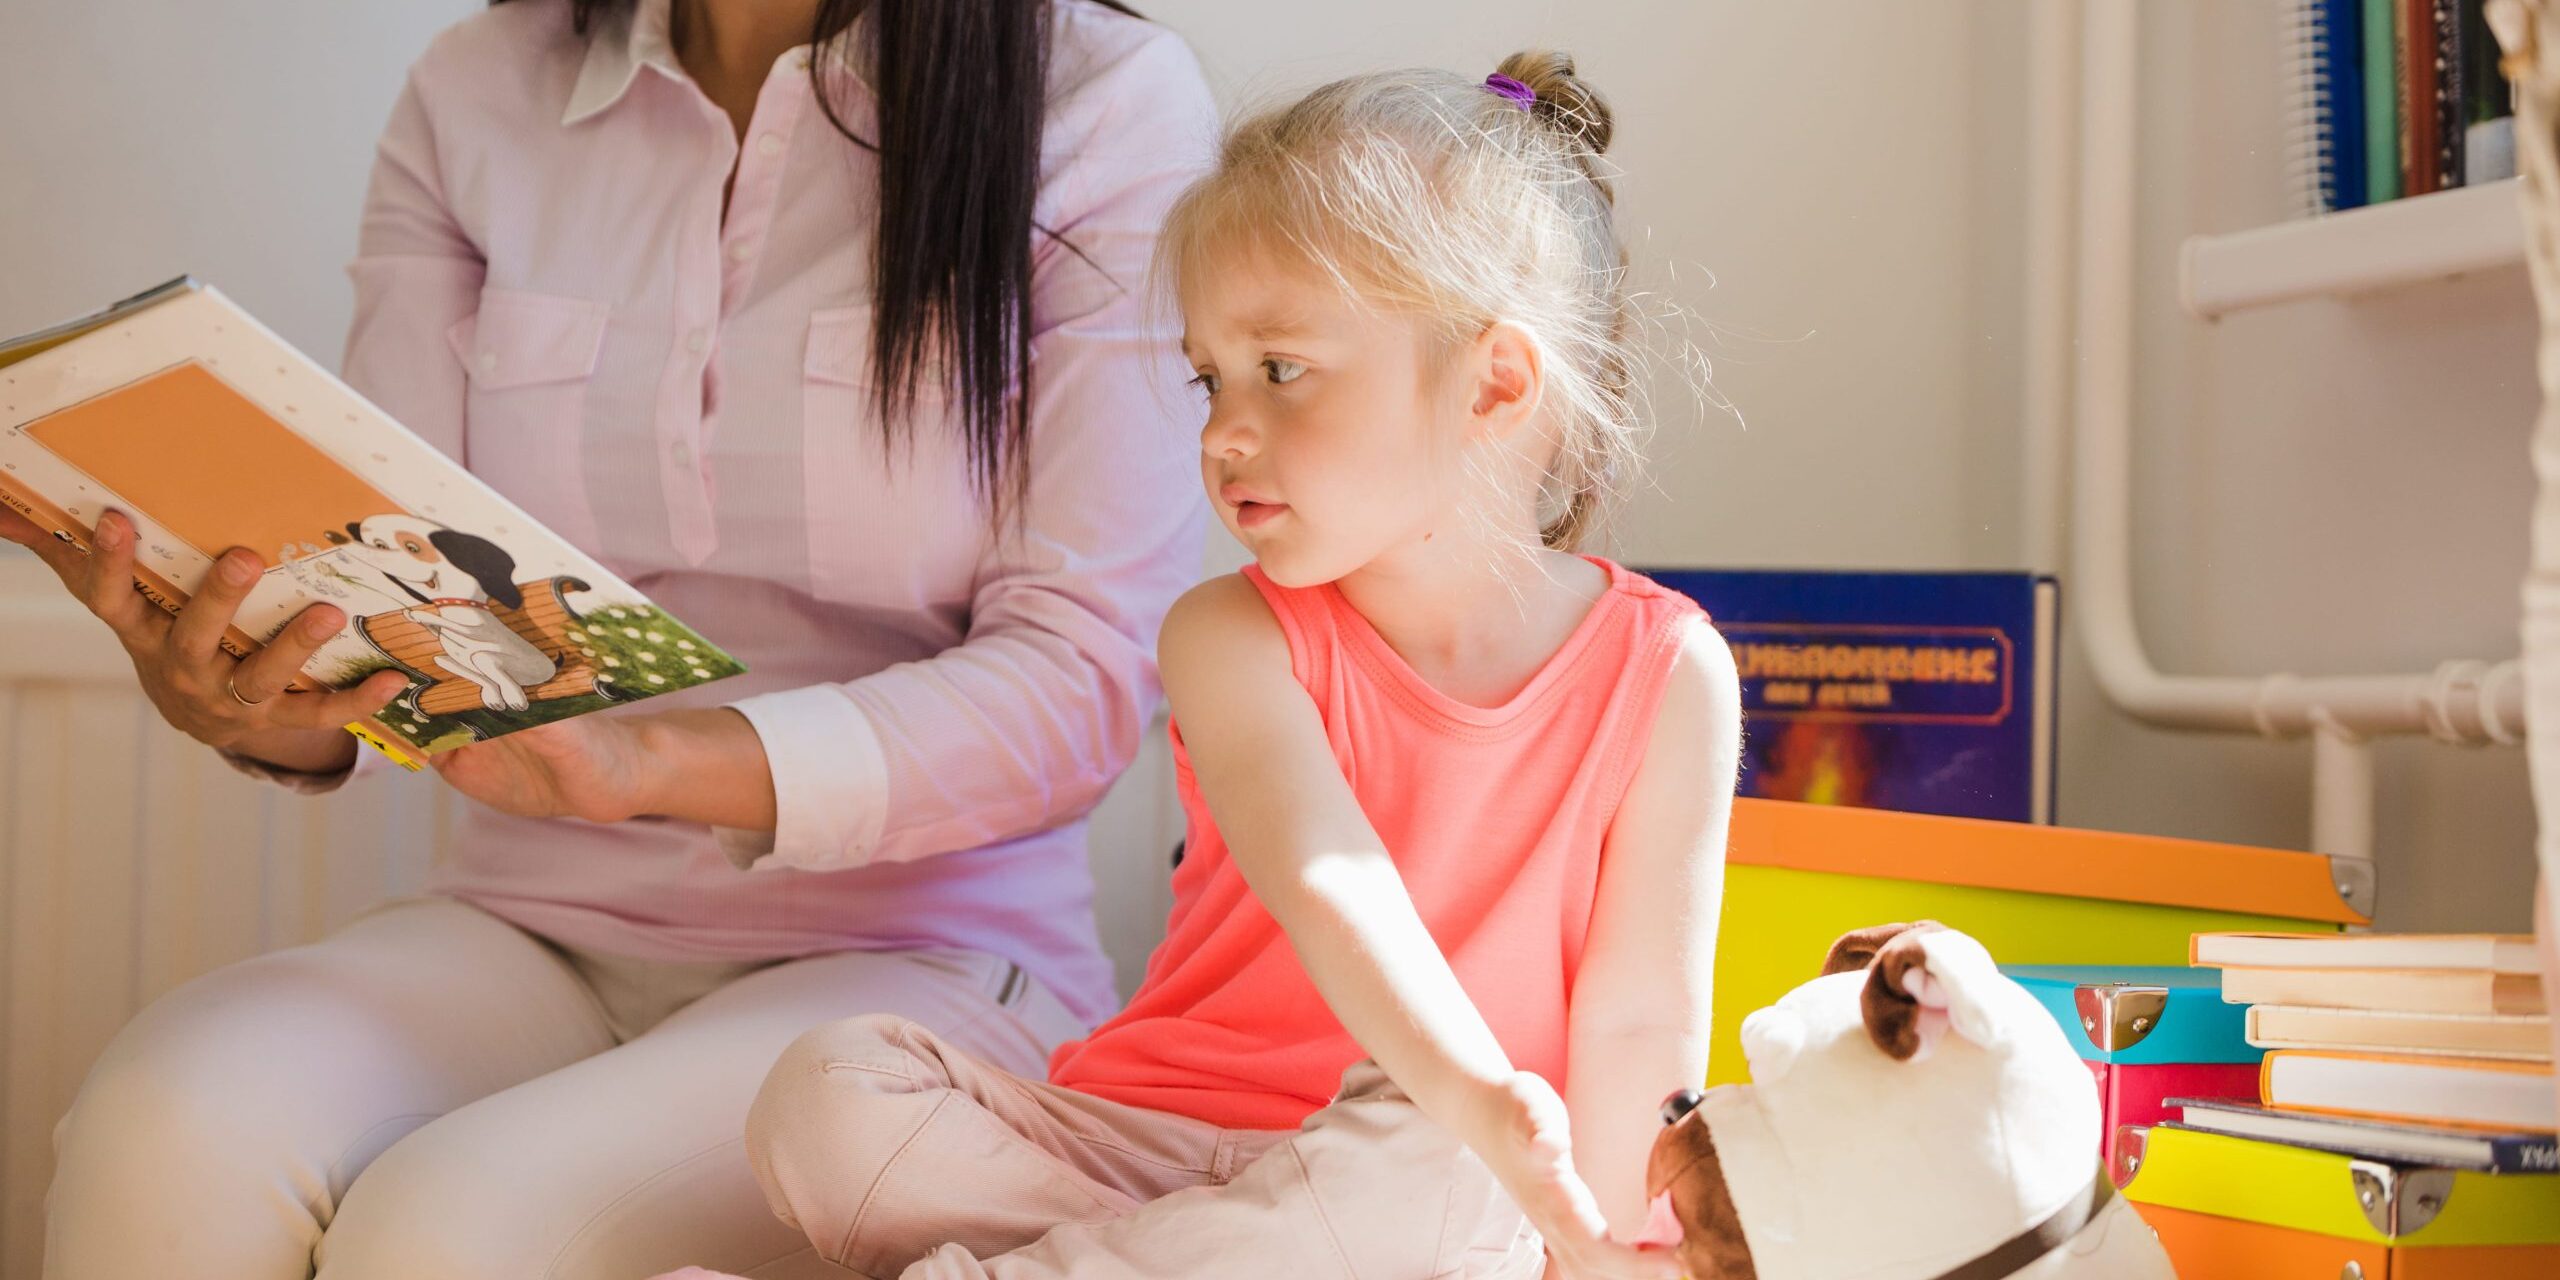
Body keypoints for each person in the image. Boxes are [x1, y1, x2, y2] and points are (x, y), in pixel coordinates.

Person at [15, 1, 1216, 1276]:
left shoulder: (1098, 96)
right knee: (161, 1119)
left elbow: (1081, 679)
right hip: (529, 918)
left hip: (926, 960)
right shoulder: (482, 85)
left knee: (449, 1229)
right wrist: (256, 696)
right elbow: (388, 571)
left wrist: (647, 763)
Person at [680, 48, 1741, 1280]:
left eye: (1280, 370)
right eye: (1210, 377)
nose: (1225, 430)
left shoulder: (1668, 671)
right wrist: (1472, 1093)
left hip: (1417, 1164)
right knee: (832, 1092)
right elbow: (1331, 887)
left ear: (1495, 384)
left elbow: (1637, 1019)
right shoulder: (1230, 633)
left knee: (1439, 1187)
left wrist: (1595, 1244)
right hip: (1147, 1144)